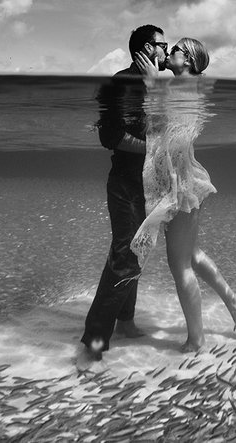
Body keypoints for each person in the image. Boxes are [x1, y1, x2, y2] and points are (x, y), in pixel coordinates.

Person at [131, 37, 236, 352]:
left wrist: (154, 86)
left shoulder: (183, 90)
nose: (169, 52)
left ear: (191, 61)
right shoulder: (181, 88)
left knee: (179, 264)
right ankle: (235, 303)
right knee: (191, 256)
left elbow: (174, 139)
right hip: (180, 182)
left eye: (176, 50)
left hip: (179, 186)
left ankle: (197, 341)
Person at [80, 24, 170, 363]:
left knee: (138, 252)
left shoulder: (157, 85)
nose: (166, 51)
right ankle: (95, 339)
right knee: (123, 255)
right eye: (164, 45)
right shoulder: (119, 84)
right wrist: (155, 150)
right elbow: (110, 138)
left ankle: (126, 321)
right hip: (126, 184)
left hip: (148, 185)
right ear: (147, 48)